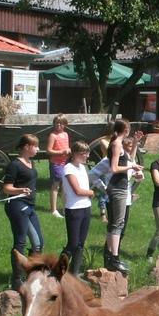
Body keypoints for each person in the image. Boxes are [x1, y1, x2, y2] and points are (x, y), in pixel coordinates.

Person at [0, 133, 43, 289]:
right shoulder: (15, 165)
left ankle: (32, 276)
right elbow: (6, 188)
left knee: (38, 243)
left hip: (30, 206)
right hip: (17, 205)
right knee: (21, 242)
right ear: (26, 147)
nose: (38, 149)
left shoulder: (31, 163)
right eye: (36, 146)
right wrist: (19, 190)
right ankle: (17, 280)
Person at [103, 120, 141, 273]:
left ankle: (111, 257)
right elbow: (114, 168)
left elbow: (129, 160)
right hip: (117, 188)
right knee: (117, 223)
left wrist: (136, 143)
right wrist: (131, 166)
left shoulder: (117, 143)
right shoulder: (116, 144)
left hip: (121, 187)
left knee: (116, 223)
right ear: (125, 129)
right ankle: (114, 258)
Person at [61, 141, 94, 270]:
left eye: (87, 153)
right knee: (73, 243)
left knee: (81, 243)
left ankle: (75, 272)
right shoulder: (69, 168)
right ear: (74, 154)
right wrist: (91, 192)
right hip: (74, 209)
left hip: (85, 207)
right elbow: (78, 190)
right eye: (83, 154)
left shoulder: (81, 167)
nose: (87, 156)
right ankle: (58, 270)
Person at [46, 115, 70, 217]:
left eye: (61, 123)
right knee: (56, 186)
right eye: (57, 123)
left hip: (65, 163)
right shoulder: (53, 135)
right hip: (56, 163)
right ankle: (54, 210)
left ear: (65, 124)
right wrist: (62, 152)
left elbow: (66, 147)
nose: (59, 125)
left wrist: (68, 151)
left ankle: (65, 208)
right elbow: (49, 150)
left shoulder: (65, 134)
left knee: (65, 186)